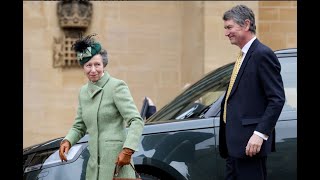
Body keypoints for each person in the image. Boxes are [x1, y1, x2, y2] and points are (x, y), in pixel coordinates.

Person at [58, 34, 144, 180]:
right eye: (88, 65)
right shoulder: (83, 92)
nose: (93, 70)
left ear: (103, 65)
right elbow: (79, 126)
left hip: (117, 163)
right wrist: (68, 141)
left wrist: (128, 150)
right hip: (93, 166)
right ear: (83, 67)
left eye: (97, 64)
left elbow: (136, 120)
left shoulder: (116, 86)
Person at [218, 5, 285, 180]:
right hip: (234, 147)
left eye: (229, 27)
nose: (226, 33)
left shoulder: (262, 54)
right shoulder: (243, 56)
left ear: (246, 24)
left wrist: (259, 134)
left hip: (250, 145)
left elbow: (276, 99)